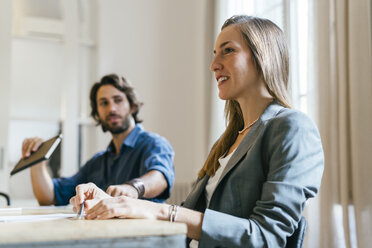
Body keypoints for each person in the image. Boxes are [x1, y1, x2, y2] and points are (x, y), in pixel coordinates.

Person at [69, 15, 324, 247]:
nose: (214, 64)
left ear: (262, 57)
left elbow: (265, 237)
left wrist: (159, 211)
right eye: (215, 53)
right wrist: (115, 205)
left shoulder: (292, 127)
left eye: (228, 51)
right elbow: (187, 216)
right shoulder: (227, 142)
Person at [22, 74, 175, 206]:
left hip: (146, 237)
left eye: (118, 100)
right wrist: (37, 162)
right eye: (104, 103)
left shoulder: (154, 144)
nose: (111, 109)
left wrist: (133, 188)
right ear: (97, 113)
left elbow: (160, 177)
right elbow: (49, 197)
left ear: (132, 107)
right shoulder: (98, 162)